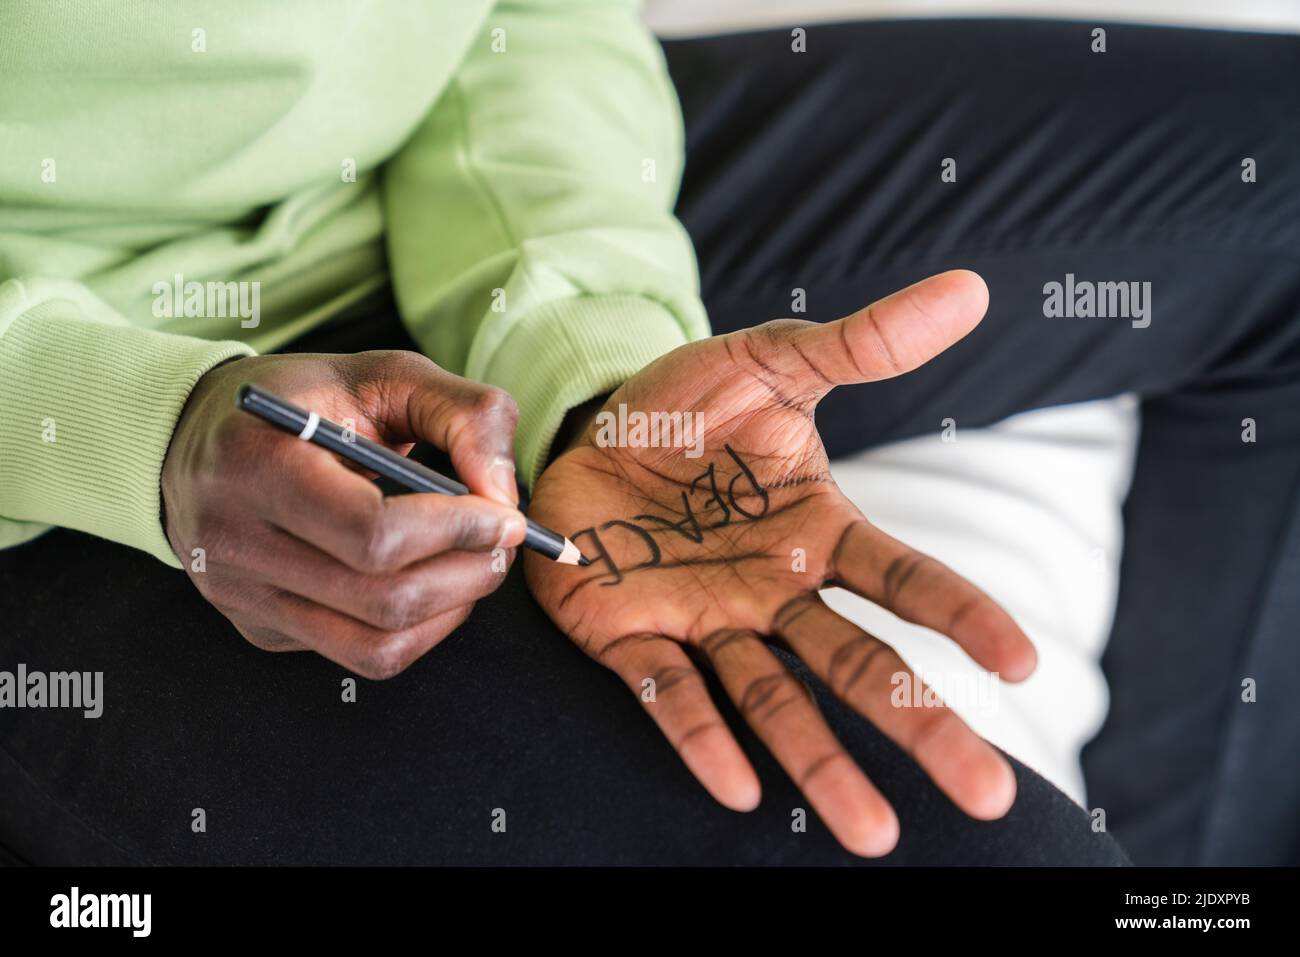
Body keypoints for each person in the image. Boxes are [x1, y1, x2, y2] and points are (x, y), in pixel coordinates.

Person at [2, 3, 1294, 865]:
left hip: (431, 185)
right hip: (63, 468)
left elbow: (527, 15)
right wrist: (150, 436)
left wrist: (598, 360)